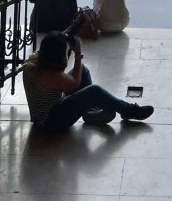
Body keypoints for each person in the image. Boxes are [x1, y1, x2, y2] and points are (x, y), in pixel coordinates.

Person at [23, 31, 154, 130]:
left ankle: (90, 113)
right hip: (50, 122)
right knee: (94, 91)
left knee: (83, 70)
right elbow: (74, 84)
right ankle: (129, 111)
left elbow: (52, 47)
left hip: (49, 108)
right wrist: (78, 54)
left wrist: (66, 35)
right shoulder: (52, 76)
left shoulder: (33, 61)